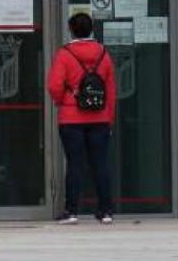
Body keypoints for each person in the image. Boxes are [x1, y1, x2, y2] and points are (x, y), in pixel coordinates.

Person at [47, 12, 116, 224]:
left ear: (71, 29)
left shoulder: (65, 54)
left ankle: (72, 211)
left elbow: (54, 86)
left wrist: (64, 102)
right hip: (100, 117)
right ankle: (105, 211)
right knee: (100, 164)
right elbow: (111, 90)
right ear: (92, 29)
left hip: (71, 119)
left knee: (75, 164)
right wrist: (109, 118)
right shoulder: (103, 54)